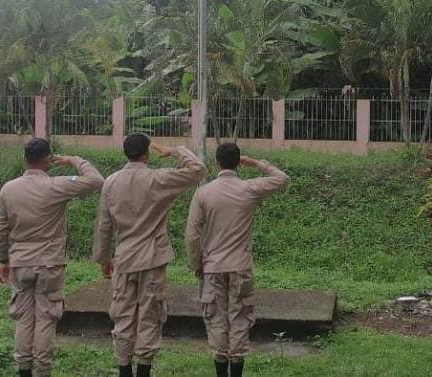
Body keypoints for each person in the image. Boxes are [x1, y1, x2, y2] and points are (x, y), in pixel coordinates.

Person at [93, 133, 207, 377]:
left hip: (123, 258)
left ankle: (124, 368)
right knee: (150, 314)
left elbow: (104, 225)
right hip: (153, 258)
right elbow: (199, 170)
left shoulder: (111, 182)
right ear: (146, 153)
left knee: (123, 314)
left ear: (126, 153)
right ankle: (144, 368)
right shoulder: (159, 178)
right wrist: (176, 150)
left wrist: (104, 259)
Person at [0, 138, 104, 377]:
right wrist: (74, 159)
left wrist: (4, 260)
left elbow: (0, 229)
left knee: (23, 318)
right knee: (45, 318)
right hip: (49, 263)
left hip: (20, 262)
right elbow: (96, 180)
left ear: (25, 158)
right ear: (48, 159)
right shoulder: (57, 185)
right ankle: (42, 370)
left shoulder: (8, 189)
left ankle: (23, 368)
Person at [185, 143, 290, 377]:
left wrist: (197, 264)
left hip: (212, 266)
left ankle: (221, 371)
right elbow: (282, 178)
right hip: (240, 266)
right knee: (240, 318)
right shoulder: (249, 188)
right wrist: (256, 162)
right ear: (238, 162)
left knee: (216, 320)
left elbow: (192, 235)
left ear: (216, 163)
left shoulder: (203, 192)